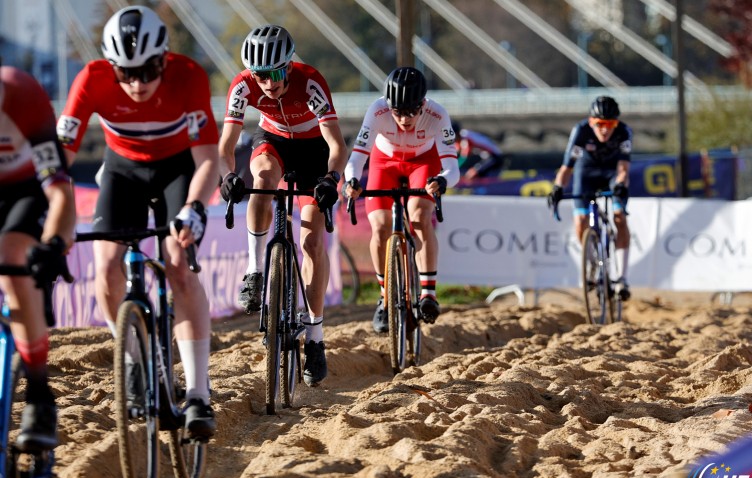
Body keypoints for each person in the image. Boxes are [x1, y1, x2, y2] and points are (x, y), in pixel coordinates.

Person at [56, 6, 219, 438]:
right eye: (126, 73)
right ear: (111, 67)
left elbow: (208, 161)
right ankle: (130, 357)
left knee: (178, 263)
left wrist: (195, 208)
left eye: (148, 71)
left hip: (176, 169)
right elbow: (59, 162)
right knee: (106, 266)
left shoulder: (189, 76)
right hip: (121, 170)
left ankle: (199, 393)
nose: (137, 84)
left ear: (164, 59)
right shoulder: (90, 78)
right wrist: (54, 217)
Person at [218, 25, 347, 387]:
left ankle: (316, 339)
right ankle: (254, 270)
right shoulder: (242, 86)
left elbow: (336, 145)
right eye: (261, 75)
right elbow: (226, 143)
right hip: (272, 138)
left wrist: (331, 179)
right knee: (261, 180)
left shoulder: (310, 82)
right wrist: (227, 175)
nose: (268, 83)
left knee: (311, 243)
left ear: (288, 66)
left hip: (313, 151)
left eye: (275, 73)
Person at [344, 67, 459, 333]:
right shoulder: (377, 111)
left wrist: (441, 181)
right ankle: (385, 298)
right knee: (381, 226)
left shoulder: (437, 115)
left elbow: (452, 168)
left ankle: (428, 294)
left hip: (422, 161)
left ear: (423, 105)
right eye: (398, 112)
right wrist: (352, 181)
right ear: (388, 106)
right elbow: (357, 158)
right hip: (385, 163)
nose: (405, 119)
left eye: (411, 112)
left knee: (418, 217)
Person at [0, 60, 76, 451]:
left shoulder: (24, 96)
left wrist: (54, 244)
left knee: (13, 257)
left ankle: (39, 393)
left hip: (26, 189)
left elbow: (60, 193)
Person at [548, 95, 632, 300]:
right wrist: (558, 187)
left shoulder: (623, 132)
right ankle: (592, 261)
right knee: (581, 221)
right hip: (586, 174)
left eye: (610, 124)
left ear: (616, 123)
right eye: (600, 124)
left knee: (619, 215)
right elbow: (567, 167)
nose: (605, 129)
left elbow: (623, 169)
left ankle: (621, 278)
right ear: (591, 122)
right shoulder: (581, 131)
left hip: (612, 174)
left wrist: (620, 185)